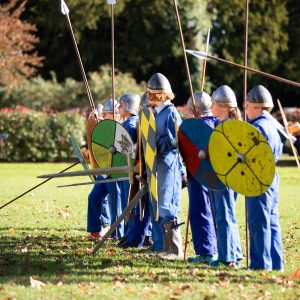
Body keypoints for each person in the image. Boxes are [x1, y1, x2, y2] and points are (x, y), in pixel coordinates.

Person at [245, 85, 284, 271]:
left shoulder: (258, 127)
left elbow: (251, 155)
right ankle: (276, 264)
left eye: (248, 106)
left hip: (258, 178)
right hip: (272, 177)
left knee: (258, 222)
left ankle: (261, 265)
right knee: (272, 221)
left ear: (258, 107)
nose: (246, 110)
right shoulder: (272, 125)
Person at [147, 72, 183, 260]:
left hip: (168, 164)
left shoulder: (170, 113)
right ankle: (159, 244)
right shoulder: (156, 113)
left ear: (158, 94)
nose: (147, 96)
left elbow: (175, 141)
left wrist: (157, 142)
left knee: (167, 204)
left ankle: (173, 250)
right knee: (156, 203)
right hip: (156, 163)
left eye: (150, 92)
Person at [209, 85, 243, 268]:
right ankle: (234, 253)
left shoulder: (227, 126)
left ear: (222, 106)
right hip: (220, 177)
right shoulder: (222, 124)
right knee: (226, 215)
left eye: (213, 103)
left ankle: (227, 258)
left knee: (224, 216)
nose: (211, 106)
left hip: (224, 178)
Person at [185, 92, 218, 264]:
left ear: (193, 111)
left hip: (199, 176)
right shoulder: (216, 123)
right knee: (213, 211)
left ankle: (206, 251)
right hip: (212, 178)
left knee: (201, 210)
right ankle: (217, 249)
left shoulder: (198, 127)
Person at [83, 98, 124, 239]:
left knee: (115, 203)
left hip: (116, 172)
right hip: (104, 172)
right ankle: (95, 230)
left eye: (107, 114)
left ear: (116, 114)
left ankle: (117, 233)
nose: (104, 117)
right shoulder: (104, 126)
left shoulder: (122, 127)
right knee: (93, 197)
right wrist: (92, 124)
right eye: (104, 114)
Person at [116, 93, 152, 248]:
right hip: (130, 169)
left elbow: (131, 151)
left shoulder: (130, 125)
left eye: (121, 105)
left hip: (133, 170)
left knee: (133, 203)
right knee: (131, 203)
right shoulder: (129, 123)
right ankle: (131, 234)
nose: (119, 108)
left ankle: (139, 235)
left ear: (129, 107)